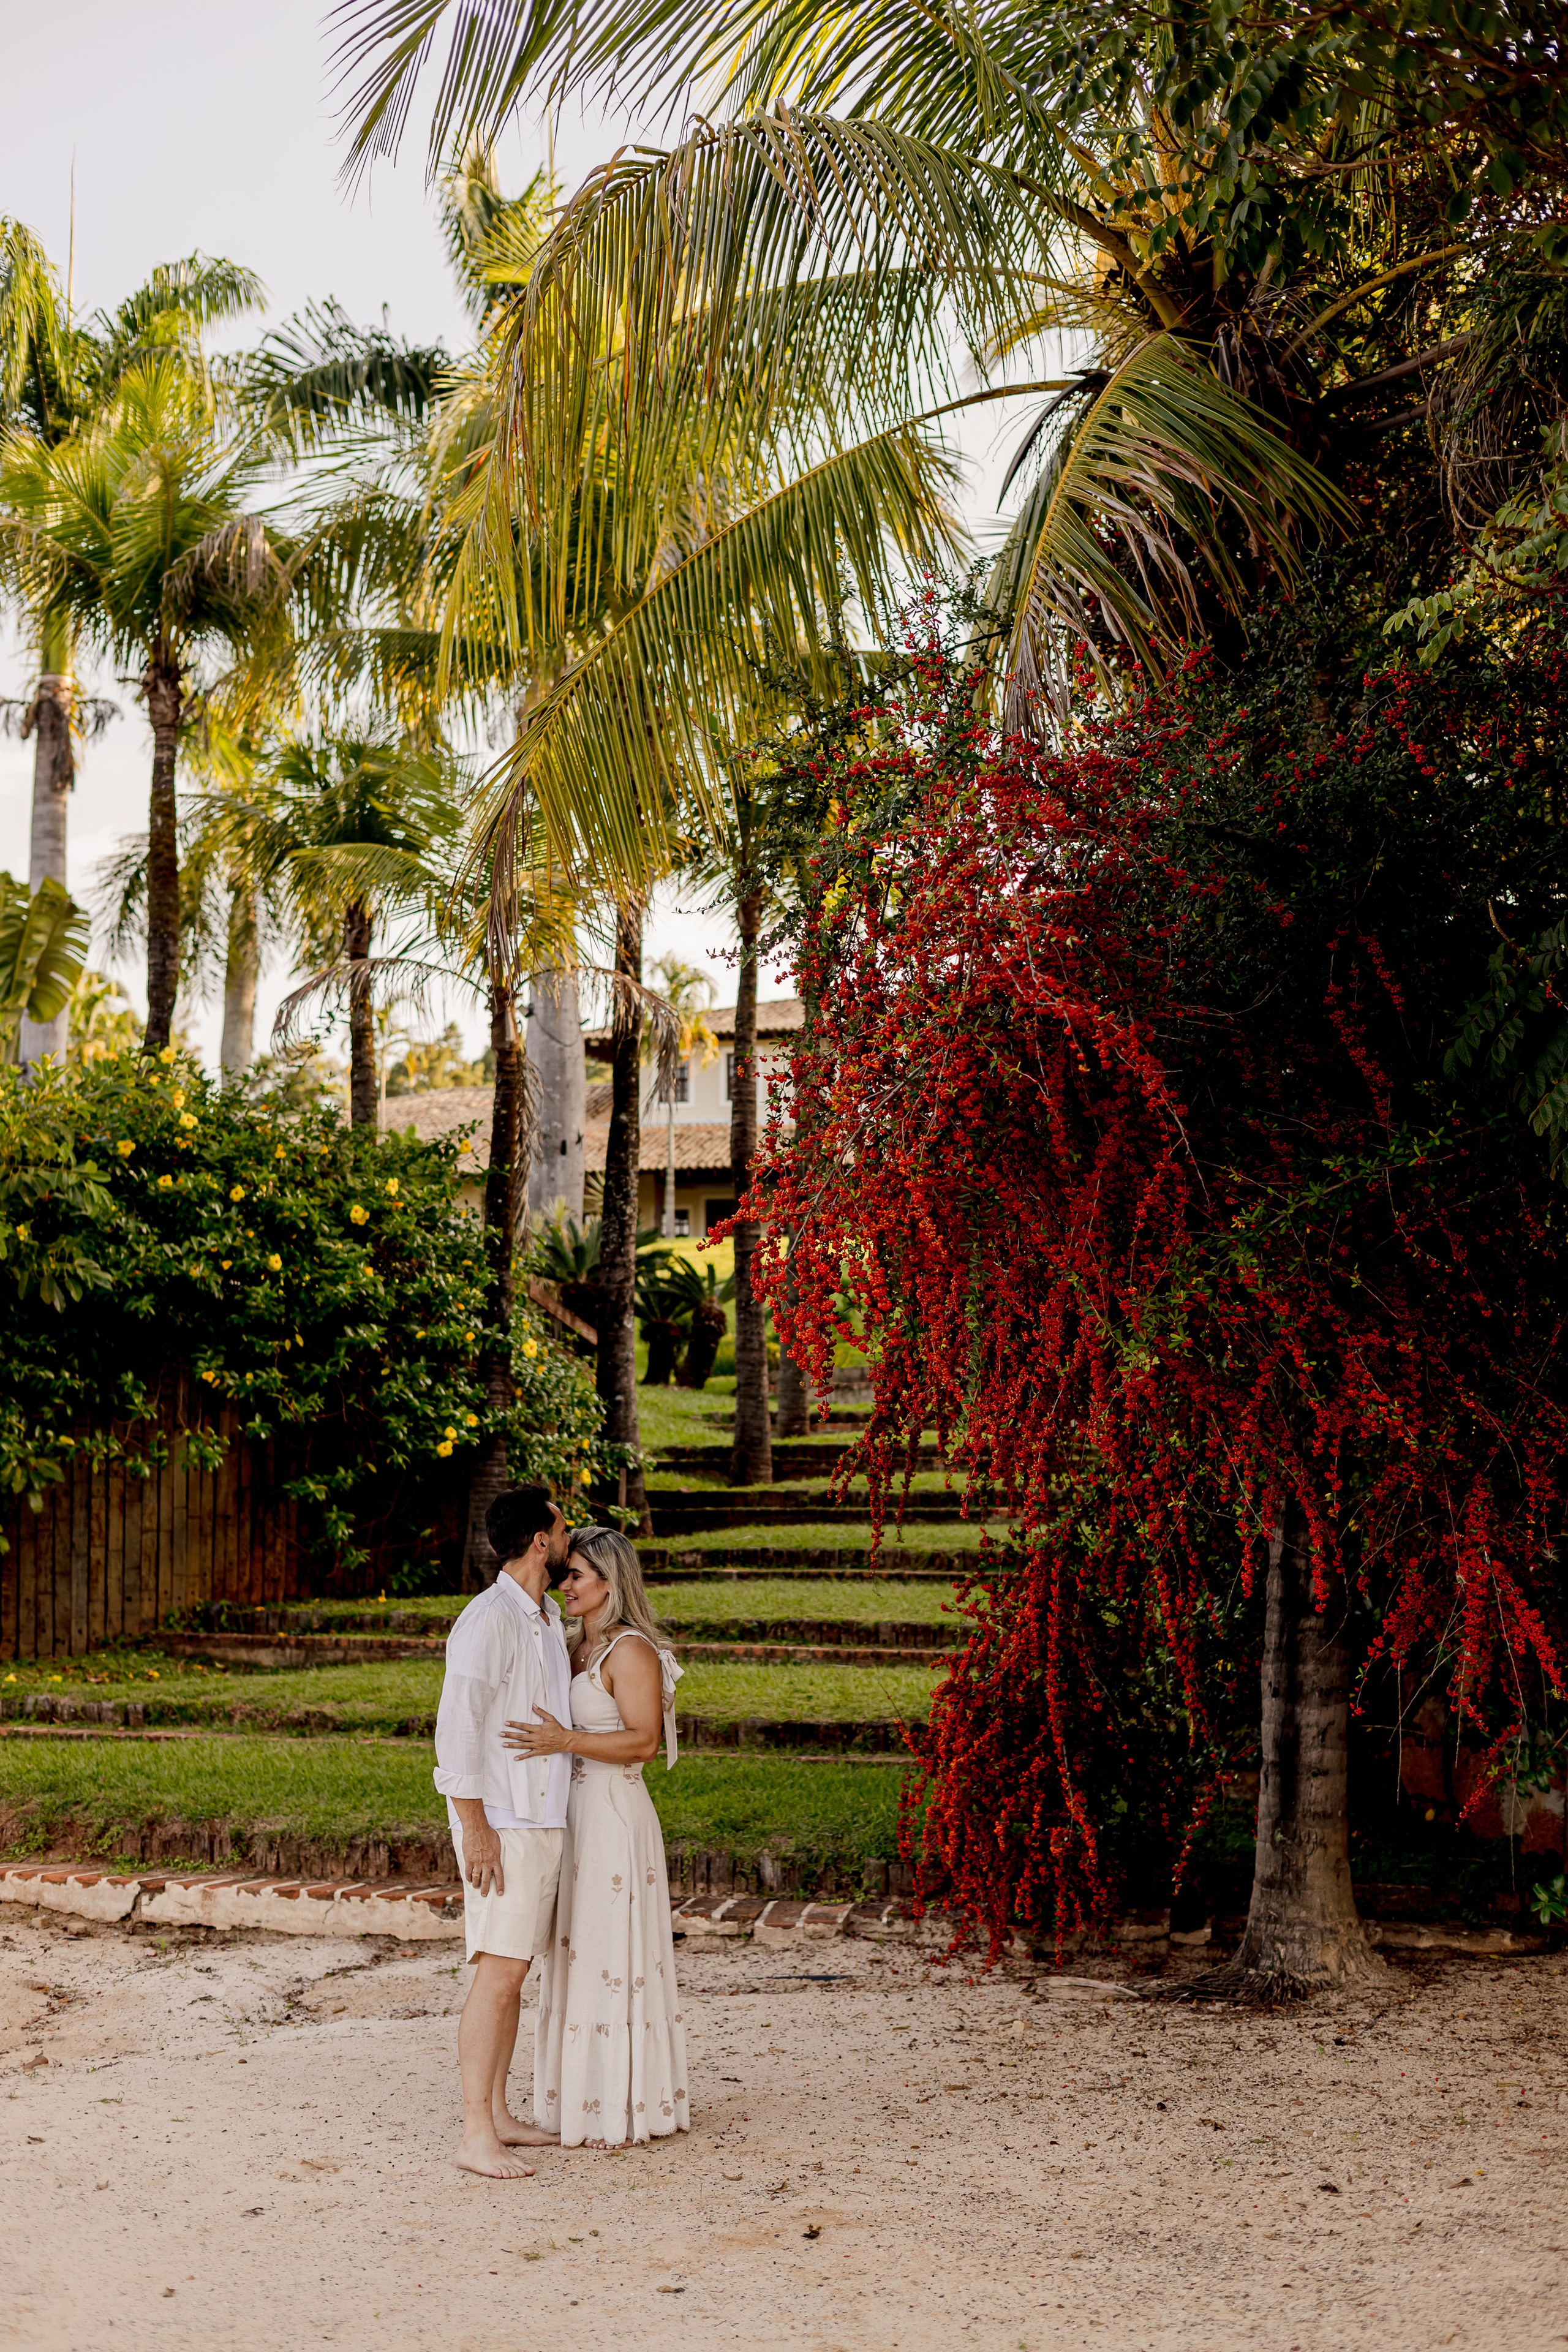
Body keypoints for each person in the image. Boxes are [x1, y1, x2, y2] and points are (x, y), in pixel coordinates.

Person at [502, 1523, 690, 2150]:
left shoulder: (628, 1651)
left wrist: (564, 1741)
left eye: (577, 1574)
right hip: (570, 1817)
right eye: (566, 1572)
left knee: (611, 1952)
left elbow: (642, 1741)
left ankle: (622, 2102)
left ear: (612, 1581)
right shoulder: (569, 1643)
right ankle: (576, 2096)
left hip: (612, 1817)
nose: (566, 1583)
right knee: (575, 1952)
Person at [432, 1485, 571, 2179]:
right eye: (561, 1520)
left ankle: (502, 2114)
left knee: (513, 1976)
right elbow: (455, 1729)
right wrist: (475, 1829)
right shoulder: (487, 1620)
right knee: (498, 1976)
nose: (569, 1527)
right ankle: (474, 2134)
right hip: (503, 1827)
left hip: (541, 1819)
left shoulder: (545, 1616)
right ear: (541, 1540)